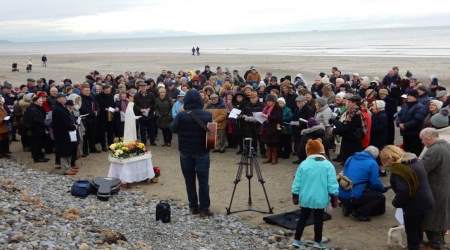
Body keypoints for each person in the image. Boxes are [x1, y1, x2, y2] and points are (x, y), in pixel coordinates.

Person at [380, 145, 434, 250]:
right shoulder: (415, 161)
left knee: (412, 231)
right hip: (425, 200)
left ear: (389, 158)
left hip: (414, 205)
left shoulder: (400, 170)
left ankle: (414, 247)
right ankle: (417, 244)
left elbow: (404, 191)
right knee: (418, 228)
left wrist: (396, 202)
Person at [171, 90, 213, 217]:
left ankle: (193, 207)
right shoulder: (207, 115)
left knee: (189, 181)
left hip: (186, 151)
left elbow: (172, 129)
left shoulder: (181, 115)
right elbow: (211, 134)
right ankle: (204, 209)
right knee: (203, 181)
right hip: (202, 152)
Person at [291, 139, 339, 249]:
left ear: (308, 151)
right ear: (321, 150)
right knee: (318, 220)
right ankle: (317, 242)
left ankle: (296, 240)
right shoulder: (328, 165)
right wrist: (334, 197)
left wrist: (295, 194)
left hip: (305, 197)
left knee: (303, 218)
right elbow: (332, 184)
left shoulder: (303, 164)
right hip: (320, 198)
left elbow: (296, 181)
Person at [419, 128, 450, 250]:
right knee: (442, 214)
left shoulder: (434, 150)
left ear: (428, 138)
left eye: (422, 139)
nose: (422, 142)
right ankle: (440, 241)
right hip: (445, 185)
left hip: (435, 187)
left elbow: (423, 169)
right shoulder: (446, 146)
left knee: (433, 216)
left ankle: (436, 243)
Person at [339, 146, 386, 221]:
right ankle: (360, 213)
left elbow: (346, 174)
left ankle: (348, 206)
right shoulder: (372, 163)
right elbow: (375, 183)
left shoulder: (350, 158)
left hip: (341, 193)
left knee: (362, 188)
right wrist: (382, 189)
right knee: (379, 197)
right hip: (353, 195)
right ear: (375, 156)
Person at [333, 95, 364, 163]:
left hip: (351, 140)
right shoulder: (353, 111)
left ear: (354, 103)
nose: (347, 103)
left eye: (349, 102)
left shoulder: (354, 112)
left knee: (350, 160)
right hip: (351, 138)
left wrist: (335, 128)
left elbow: (347, 126)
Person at [52, 93, 78, 175]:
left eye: (64, 98)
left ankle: (69, 167)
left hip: (65, 132)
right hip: (62, 133)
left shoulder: (61, 107)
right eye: (62, 98)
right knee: (64, 151)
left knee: (68, 150)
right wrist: (73, 126)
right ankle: (65, 169)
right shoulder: (58, 109)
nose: (64, 99)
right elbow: (64, 122)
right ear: (58, 99)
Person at [397, 89, 427, 156]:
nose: (408, 97)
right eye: (408, 95)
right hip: (406, 133)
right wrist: (399, 123)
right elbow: (399, 115)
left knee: (414, 152)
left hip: (414, 134)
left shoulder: (420, 107)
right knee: (406, 151)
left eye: (410, 95)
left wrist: (405, 125)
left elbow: (417, 120)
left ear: (415, 96)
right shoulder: (405, 105)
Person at [23, 96, 49, 162]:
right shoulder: (32, 109)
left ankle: (40, 156)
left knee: (39, 144)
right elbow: (36, 120)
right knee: (36, 144)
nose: (42, 102)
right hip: (35, 130)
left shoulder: (37, 108)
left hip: (38, 129)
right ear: (35, 102)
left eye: (42, 101)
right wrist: (45, 123)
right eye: (40, 101)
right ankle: (37, 158)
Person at [261, 95, 282, 164]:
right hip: (267, 127)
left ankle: (274, 158)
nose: (268, 103)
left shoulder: (278, 108)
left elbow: (278, 118)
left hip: (274, 128)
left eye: (270, 101)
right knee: (268, 143)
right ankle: (269, 158)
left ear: (273, 101)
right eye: (267, 101)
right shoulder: (266, 108)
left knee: (274, 143)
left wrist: (267, 116)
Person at [79, 83, 100, 156]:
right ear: (82, 90)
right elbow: (82, 108)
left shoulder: (92, 97)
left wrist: (97, 111)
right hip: (85, 119)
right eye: (86, 90)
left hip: (93, 119)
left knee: (93, 134)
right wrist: (93, 113)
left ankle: (92, 148)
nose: (88, 92)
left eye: (88, 90)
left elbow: (96, 105)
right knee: (85, 136)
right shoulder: (80, 98)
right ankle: (85, 151)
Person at [134, 80, 157, 146]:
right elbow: (135, 105)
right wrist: (140, 109)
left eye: (144, 86)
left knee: (151, 129)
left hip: (150, 114)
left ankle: (152, 141)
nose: (143, 88)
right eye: (141, 87)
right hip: (141, 115)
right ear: (139, 88)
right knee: (142, 130)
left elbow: (154, 103)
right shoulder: (136, 96)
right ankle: (143, 142)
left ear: (146, 87)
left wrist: (150, 108)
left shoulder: (151, 95)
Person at [96, 85, 116, 151]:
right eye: (106, 89)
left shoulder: (111, 96)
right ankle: (104, 145)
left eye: (109, 89)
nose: (108, 90)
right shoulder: (99, 96)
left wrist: (114, 108)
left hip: (110, 115)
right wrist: (106, 108)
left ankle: (111, 145)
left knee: (111, 131)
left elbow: (113, 104)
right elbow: (99, 105)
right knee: (102, 132)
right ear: (103, 90)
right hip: (102, 116)